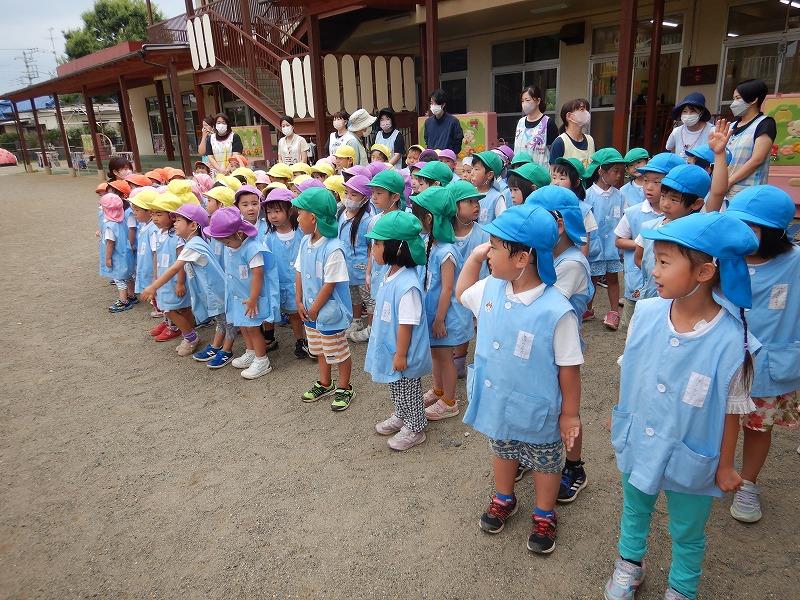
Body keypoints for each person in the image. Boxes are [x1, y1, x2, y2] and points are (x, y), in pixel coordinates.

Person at [604, 212, 758, 600]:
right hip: (639, 437)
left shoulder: (731, 340)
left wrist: (724, 465)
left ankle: (682, 588)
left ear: (704, 273)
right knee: (635, 507)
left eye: (665, 262)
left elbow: (731, 411)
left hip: (694, 454)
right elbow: (633, 371)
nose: (653, 270)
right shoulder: (647, 312)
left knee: (688, 529)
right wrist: (621, 417)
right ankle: (629, 564)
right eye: (656, 260)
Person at [457, 203, 582, 555]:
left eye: (494, 247)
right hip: (500, 399)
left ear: (523, 258)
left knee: (545, 460)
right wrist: (475, 258)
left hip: (538, 405)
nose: (488, 253)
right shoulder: (491, 288)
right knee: (503, 448)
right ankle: (504, 496)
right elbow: (461, 293)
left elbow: (570, 368)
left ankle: (544, 513)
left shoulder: (557, 310)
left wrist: (570, 413)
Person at [723, 186, 800, 524]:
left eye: (751, 227)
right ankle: (716, 467)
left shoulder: (795, 263)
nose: (741, 233)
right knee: (715, 421)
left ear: (774, 233)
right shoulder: (723, 257)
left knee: (757, 427)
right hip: (723, 361)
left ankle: (748, 484)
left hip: (768, 367)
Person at [525, 187, 593, 498]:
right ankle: (536, 454)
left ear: (559, 225)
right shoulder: (548, 254)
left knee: (567, 408)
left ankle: (574, 466)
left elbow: (546, 307)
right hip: (541, 348)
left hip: (563, 350)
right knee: (540, 403)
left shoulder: (573, 263)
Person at [364, 210, 432, 451]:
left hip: (402, 350)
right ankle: (402, 414)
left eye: (379, 244)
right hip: (392, 346)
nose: (373, 248)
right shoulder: (390, 272)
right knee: (395, 385)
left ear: (398, 247)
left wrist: (401, 353)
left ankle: (415, 426)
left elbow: (407, 323)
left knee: (408, 387)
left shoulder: (408, 285)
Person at [410, 187, 474, 421]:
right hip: (434, 311)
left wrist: (438, 319)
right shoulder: (430, 243)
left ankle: (449, 401)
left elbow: (448, 288)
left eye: (418, 215)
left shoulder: (446, 251)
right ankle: (438, 390)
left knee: (445, 356)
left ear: (429, 218)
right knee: (436, 354)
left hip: (445, 315)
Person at [292, 188, 355, 411]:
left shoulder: (333, 248)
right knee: (318, 347)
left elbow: (331, 283)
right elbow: (299, 271)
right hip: (310, 310)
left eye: (300, 213)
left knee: (337, 349)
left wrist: (315, 307)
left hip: (327, 312)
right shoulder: (304, 242)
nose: (297, 217)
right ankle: (325, 382)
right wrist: (298, 300)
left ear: (313, 217)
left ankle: (345, 386)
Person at [140, 204, 226, 358]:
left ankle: (224, 349)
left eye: (178, 220)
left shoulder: (193, 245)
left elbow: (175, 268)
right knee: (222, 320)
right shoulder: (194, 243)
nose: (174, 223)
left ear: (193, 225)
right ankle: (218, 346)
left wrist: (153, 287)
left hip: (214, 290)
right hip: (212, 289)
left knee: (224, 321)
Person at [205, 207, 281, 380]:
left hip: (251, 298)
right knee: (244, 326)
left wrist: (253, 299)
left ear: (239, 234)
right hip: (239, 297)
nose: (226, 245)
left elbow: (258, 274)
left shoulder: (253, 248)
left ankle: (262, 360)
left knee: (254, 329)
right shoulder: (232, 245)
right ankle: (251, 352)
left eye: (226, 242)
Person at [614, 154, 680, 330]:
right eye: (645, 180)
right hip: (637, 281)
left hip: (669, 288)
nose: (649, 187)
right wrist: (642, 245)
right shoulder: (634, 212)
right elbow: (619, 240)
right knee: (634, 327)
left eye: (657, 182)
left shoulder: (679, 218)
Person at [635, 163, 710, 303]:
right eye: (663, 196)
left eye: (674, 199)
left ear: (697, 204)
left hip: (679, 301)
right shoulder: (650, 227)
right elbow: (639, 258)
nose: (665, 204)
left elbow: (717, 194)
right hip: (649, 295)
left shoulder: (696, 238)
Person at [262, 187, 310, 360]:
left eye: (277, 211)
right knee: (293, 315)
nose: (273, 216)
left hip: (303, 282)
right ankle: (300, 340)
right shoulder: (268, 237)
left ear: (290, 210)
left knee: (306, 313)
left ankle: (311, 340)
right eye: (269, 212)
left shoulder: (301, 233)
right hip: (280, 283)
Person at [583, 148, 626, 329]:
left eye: (619, 172)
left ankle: (614, 311)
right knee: (592, 278)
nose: (618, 176)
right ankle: (588, 308)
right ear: (601, 171)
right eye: (614, 171)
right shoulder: (588, 195)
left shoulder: (620, 196)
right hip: (595, 245)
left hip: (612, 246)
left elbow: (624, 220)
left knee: (613, 278)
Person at [362, 170, 407, 342]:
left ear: (395, 197)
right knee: (380, 308)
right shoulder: (374, 220)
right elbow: (371, 249)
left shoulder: (404, 220)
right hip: (378, 274)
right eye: (373, 193)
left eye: (379, 193)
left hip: (396, 277)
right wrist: (368, 272)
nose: (374, 197)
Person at [149, 192, 193, 344]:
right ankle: (187, 332)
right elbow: (156, 256)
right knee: (178, 308)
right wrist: (155, 277)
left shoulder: (177, 237)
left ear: (172, 216)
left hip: (175, 281)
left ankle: (189, 336)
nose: (155, 218)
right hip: (164, 280)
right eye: (153, 214)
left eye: (159, 214)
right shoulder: (159, 233)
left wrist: (181, 282)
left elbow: (182, 261)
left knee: (172, 309)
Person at [726, 79, 776, 198]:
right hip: (724, 190)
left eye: (738, 98)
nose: (734, 103)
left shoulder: (765, 124)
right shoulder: (731, 126)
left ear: (754, 99)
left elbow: (757, 159)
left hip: (748, 192)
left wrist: (730, 181)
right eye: (734, 99)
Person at [338, 175, 374, 341]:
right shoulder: (342, 214)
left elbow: (370, 248)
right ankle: (357, 320)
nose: (348, 198)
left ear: (364, 198)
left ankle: (371, 328)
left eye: (354, 194)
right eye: (347, 193)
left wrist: (369, 270)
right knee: (354, 296)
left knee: (368, 298)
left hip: (361, 269)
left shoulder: (367, 221)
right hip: (346, 267)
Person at [99, 193, 136, 313]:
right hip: (126, 252)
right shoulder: (122, 221)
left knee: (119, 279)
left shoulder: (110, 225)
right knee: (128, 275)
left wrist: (108, 258)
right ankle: (132, 295)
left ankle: (123, 301)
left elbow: (110, 243)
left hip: (117, 256)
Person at [514, 86, 559, 167]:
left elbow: (554, 152)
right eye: (522, 101)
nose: (524, 104)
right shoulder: (520, 122)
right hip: (519, 173)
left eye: (527, 100)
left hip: (540, 174)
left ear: (538, 101)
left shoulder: (548, 123)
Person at [665, 92, 715, 159]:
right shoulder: (676, 131)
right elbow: (671, 150)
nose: (688, 115)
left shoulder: (712, 131)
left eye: (692, 111)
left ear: (701, 113)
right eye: (685, 111)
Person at [549, 98, 595, 168]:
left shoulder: (590, 140)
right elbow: (553, 173)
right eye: (582, 109)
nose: (587, 113)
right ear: (569, 116)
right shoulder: (560, 142)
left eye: (587, 110)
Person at [470, 151, 506, 224]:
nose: (472, 173)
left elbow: (503, 224)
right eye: (472, 168)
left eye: (476, 169)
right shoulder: (470, 193)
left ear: (489, 175)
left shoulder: (496, 198)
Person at [423, 89, 464, 154]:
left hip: (447, 159)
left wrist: (449, 155)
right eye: (431, 103)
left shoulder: (453, 122)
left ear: (443, 105)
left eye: (435, 103)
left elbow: (458, 142)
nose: (433, 106)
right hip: (432, 159)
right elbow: (426, 141)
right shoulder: (428, 122)